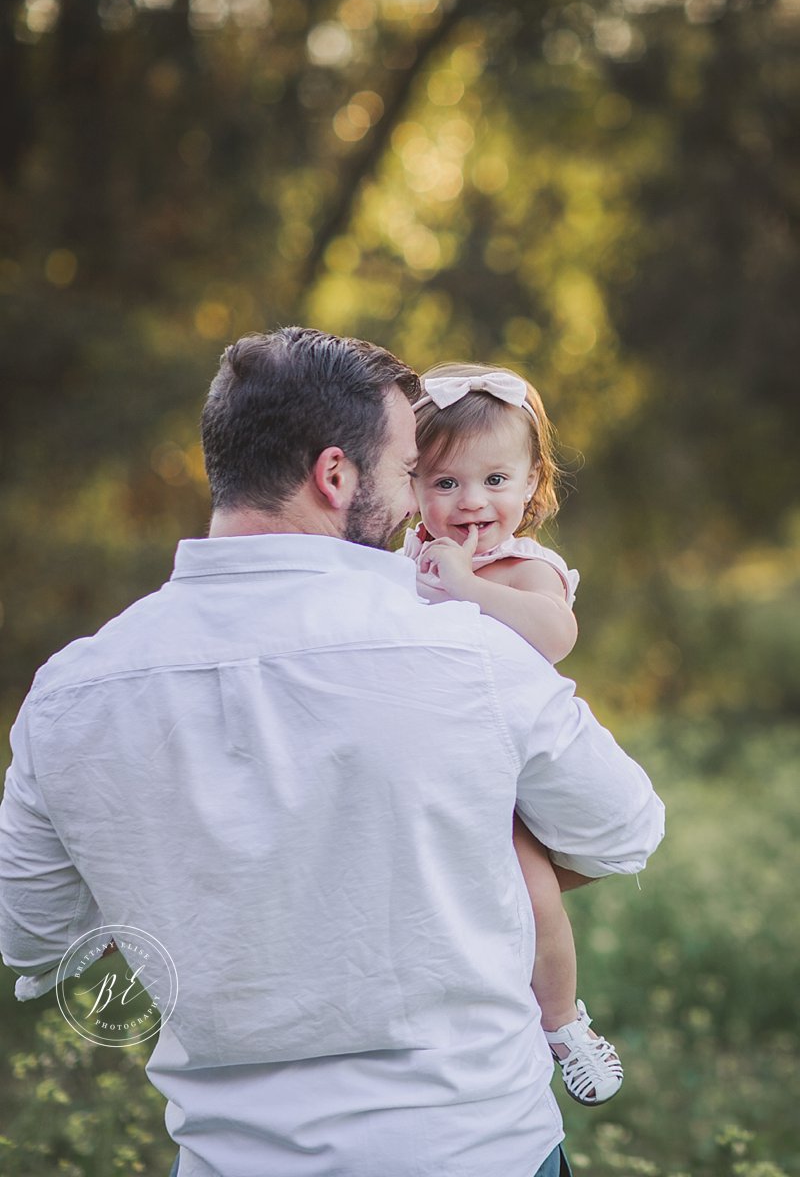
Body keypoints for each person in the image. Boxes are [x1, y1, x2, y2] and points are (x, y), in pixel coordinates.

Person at [0, 327, 665, 1177]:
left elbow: (35, 939)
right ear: (335, 475)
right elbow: (623, 831)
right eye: (407, 474)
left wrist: (224, 893)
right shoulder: (462, 645)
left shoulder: (67, 695)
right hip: (472, 1149)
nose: (423, 499)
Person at [403, 362, 623, 1106]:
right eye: (445, 483)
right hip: (418, 767)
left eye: (496, 480)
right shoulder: (401, 561)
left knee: (529, 890)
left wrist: (467, 584)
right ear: (410, 489)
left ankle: (562, 1023)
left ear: (533, 484)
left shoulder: (524, 569)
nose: (472, 503)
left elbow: (555, 637)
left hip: (501, 778)